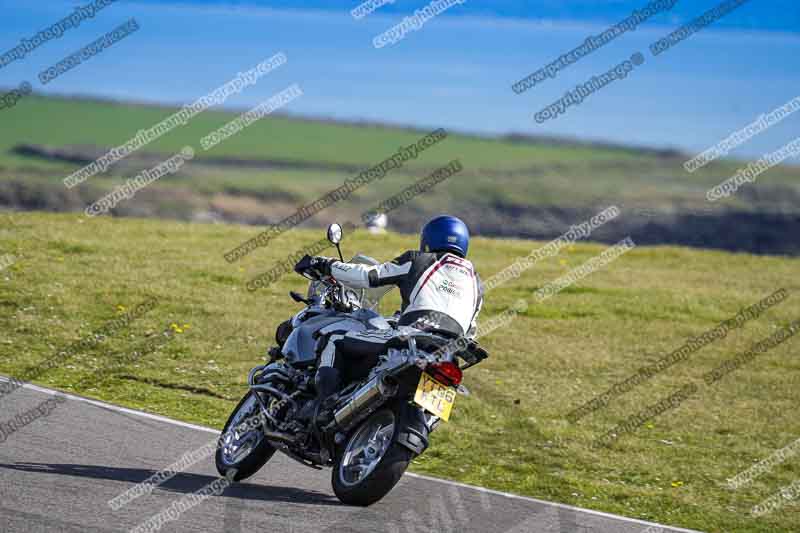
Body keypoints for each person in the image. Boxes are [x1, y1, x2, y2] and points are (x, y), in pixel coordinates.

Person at [295, 215, 483, 398]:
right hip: (448, 355)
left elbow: (369, 276)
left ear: (428, 239)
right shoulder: (476, 283)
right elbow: (471, 332)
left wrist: (327, 264)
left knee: (334, 339)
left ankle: (324, 406)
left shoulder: (419, 260)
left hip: (412, 339)